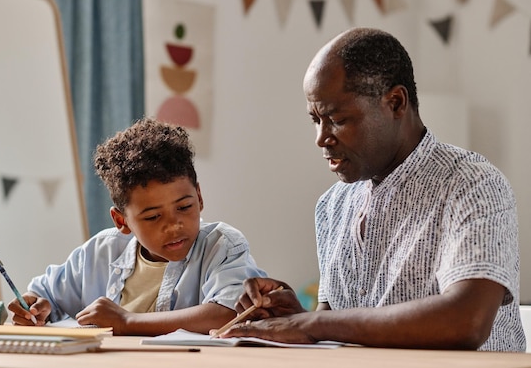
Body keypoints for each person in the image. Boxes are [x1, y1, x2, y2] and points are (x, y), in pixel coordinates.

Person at [217, 27, 525, 351]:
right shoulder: (331, 205)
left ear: (395, 102)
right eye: (315, 120)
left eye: (336, 118)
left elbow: (467, 321)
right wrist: (294, 316)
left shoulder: (472, 184)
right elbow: (338, 324)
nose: (321, 138)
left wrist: (311, 324)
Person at [8, 117, 266, 335]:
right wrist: (34, 306)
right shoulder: (100, 252)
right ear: (122, 221)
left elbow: (229, 312)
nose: (174, 225)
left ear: (199, 197)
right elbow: (46, 294)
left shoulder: (221, 246)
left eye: (184, 207)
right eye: (153, 217)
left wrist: (127, 321)